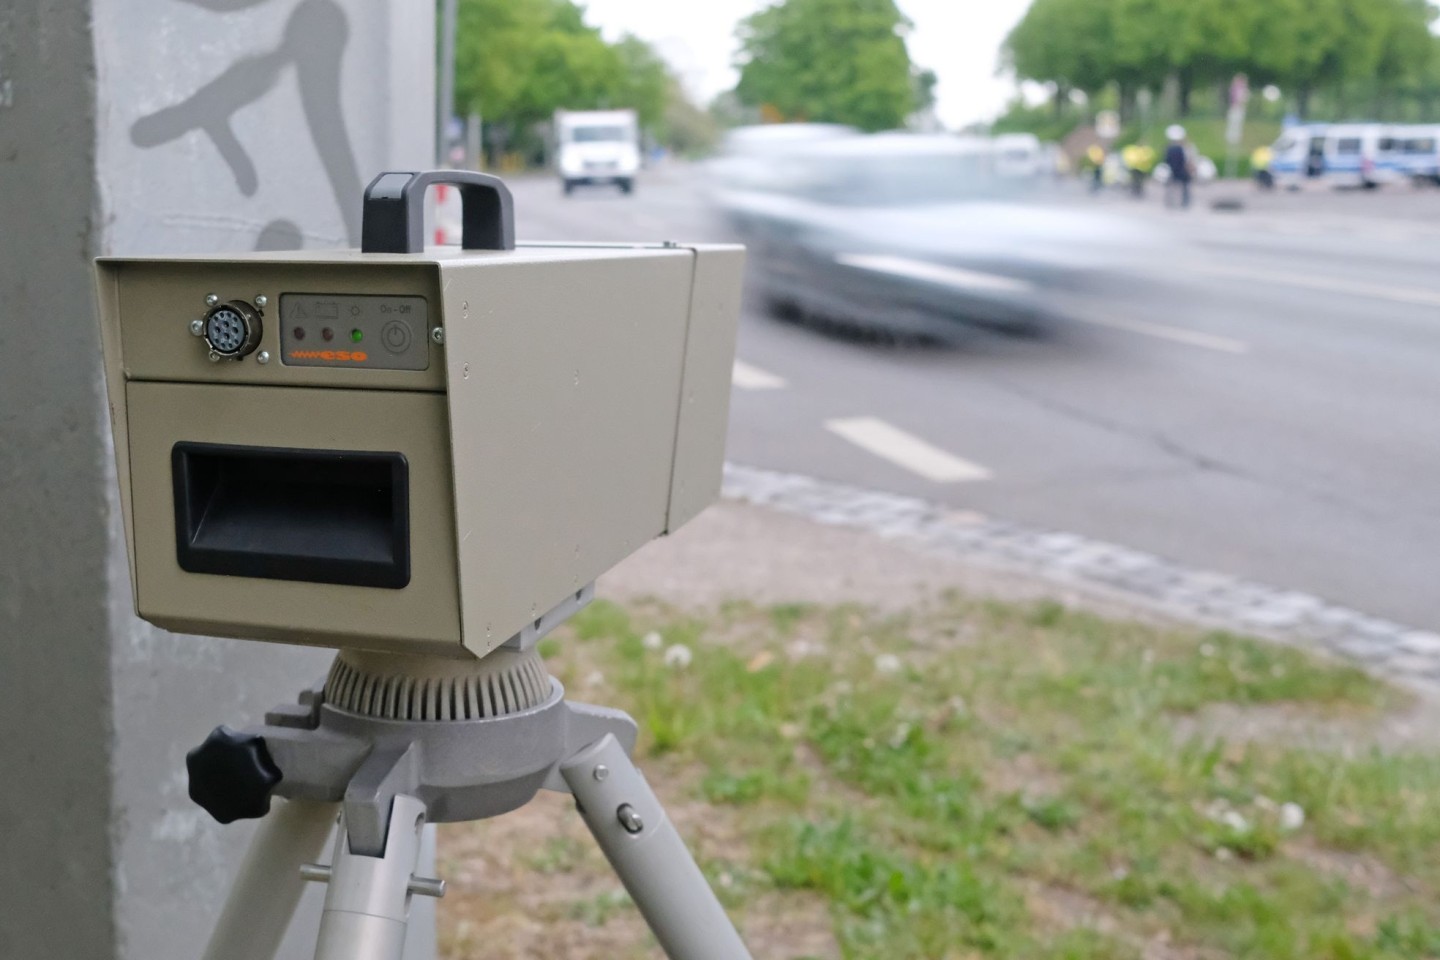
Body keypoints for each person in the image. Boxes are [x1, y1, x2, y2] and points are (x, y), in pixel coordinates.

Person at [1164, 125, 1193, 209]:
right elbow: (1186, 160)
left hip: (1172, 170)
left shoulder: (1169, 149)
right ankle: (1185, 202)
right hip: (1182, 170)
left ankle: (1170, 202)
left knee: (1171, 187)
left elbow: (1166, 160)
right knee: (1185, 186)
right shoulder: (1183, 148)